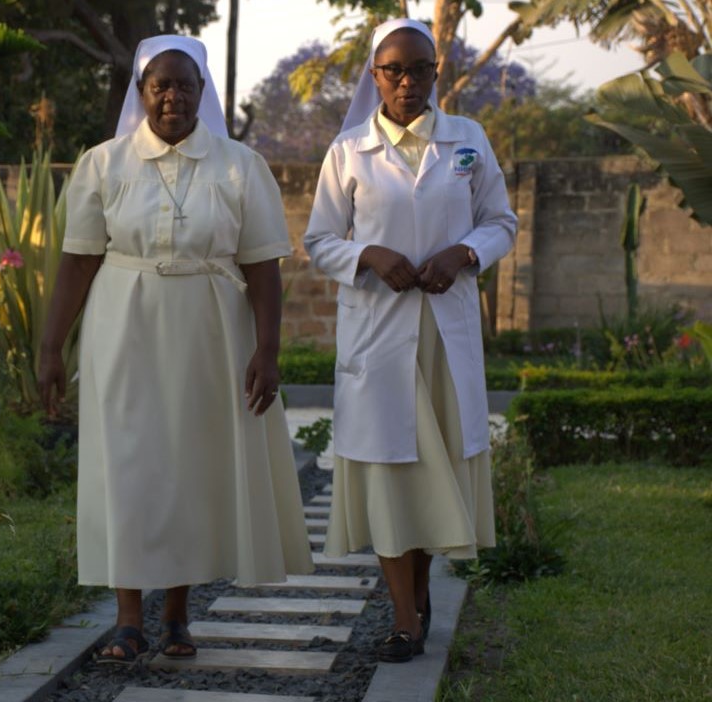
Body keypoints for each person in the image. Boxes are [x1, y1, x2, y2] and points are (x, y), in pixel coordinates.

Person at [39, 34, 313, 666]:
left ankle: (178, 615)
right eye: (160, 84)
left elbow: (264, 267)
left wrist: (267, 351)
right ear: (142, 93)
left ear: (202, 92)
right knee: (128, 466)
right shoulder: (103, 164)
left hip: (211, 329)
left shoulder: (240, 165)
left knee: (191, 467)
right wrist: (52, 346)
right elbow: (78, 261)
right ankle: (128, 619)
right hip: (123, 326)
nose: (173, 96)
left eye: (185, 84)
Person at [304, 18, 517, 663]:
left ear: (436, 73)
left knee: (435, 467)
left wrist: (464, 253)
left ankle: (418, 598)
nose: (406, 80)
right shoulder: (348, 151)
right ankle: (402, 617)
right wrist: (367, 254)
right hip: (380, 335)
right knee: (394, 473)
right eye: (393, 69)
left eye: (418, 69)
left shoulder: (467, 141)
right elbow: (318, 241)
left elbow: (501, 221)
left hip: (444, 335)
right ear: (375, 77)